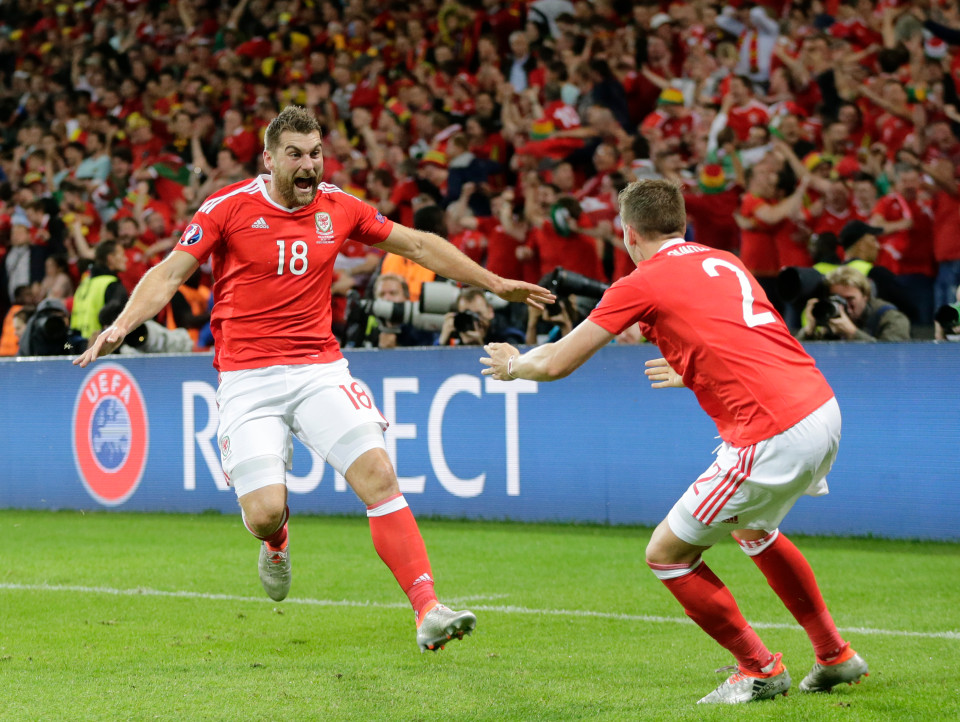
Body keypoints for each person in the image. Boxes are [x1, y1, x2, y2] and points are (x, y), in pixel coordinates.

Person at [75, 106, 553, 653]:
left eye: (316, 153)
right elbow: (168, 273)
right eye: (296, 155)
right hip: (247, 377)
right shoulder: (227, 208)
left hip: (319, 368)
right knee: (263, 511)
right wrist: (120, 326)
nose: (309, 165)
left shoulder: (338, 207)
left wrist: (493, 282)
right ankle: (276, 540)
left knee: (378, 474)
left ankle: (428, 608)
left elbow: (418, 245)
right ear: (270, 159)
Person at [481, 179, 868, 703]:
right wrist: (695, 369)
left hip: (770, 430)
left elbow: (555, 362)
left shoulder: (642, 279)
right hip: (821, 408)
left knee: (667, 553)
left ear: (628, 233)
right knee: (755, 529)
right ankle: (834, 655)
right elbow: (751, 335)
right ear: (682, 223)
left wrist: (511, 365)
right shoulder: (724, 258)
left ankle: (758, 669)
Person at [797, 265, 911, 342]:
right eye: (837, 299)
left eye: (850, 299)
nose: (843, 305)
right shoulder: (831, 318)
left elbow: (892, 358)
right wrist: (809, 331)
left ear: (865, 296)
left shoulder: (891, 318)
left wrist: (852, 332)